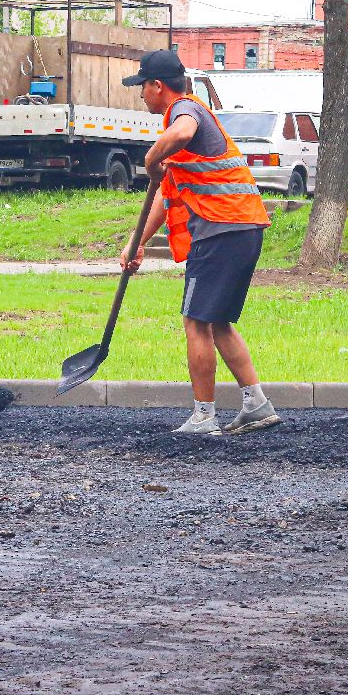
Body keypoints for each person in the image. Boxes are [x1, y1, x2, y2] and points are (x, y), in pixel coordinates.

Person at [119, 49, 280, 435]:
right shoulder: (185, 124)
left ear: (158, 86)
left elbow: (182, 131)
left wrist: (151, 157)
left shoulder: (185, 110)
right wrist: (136, 242)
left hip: (221, 231)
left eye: (142, 86)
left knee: (196, 321)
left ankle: (204, 417)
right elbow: (165, 194)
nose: (141, 94)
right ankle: (256, 404)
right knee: (217, 320)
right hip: (242, 229)